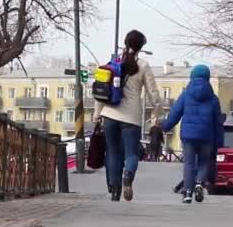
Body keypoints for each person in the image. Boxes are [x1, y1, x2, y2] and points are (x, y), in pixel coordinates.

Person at [94, 30, 163, 202]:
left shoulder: (113, 63)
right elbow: (153, 94)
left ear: (125, 43)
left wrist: (97, 114)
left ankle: (114, 188)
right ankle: (127, 176)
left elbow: (102, 90)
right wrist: (157, 115)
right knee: (131, 153)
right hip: (131, 118)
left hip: (109, 114)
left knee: (112, 152)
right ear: (141, 47)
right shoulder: (143, 66)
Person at [162, 65, 224, 203]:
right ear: (207, 78)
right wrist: (219, 142)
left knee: (189, 164)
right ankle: (199, 183)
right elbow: (218, 123)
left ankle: (188, 193)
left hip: (188, 136)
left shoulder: (185, 95)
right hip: (206, 136)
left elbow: (175, 113)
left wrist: (165, 126)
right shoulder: (214, 99)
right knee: (204, 163)